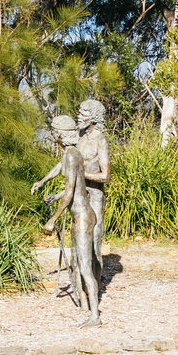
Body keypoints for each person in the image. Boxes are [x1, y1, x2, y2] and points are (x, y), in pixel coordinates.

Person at [41, 115, 101, 326]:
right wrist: (44, 182)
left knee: (85, 266)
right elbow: (74, 185)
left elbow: (69, 193)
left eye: (54, 130)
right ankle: (86, 306)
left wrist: (53, 219)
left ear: (60, 134)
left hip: (83, 217)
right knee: (80, 263)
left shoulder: (72, 155)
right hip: (84, 213)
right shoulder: (71, 153)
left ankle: (95, 316)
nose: (52, 134)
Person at [76, 99, 111, 261]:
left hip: (95, 196)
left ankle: (96, 280)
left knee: (95, 240)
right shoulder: (79, 137)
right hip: (79, 195)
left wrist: (81, 174)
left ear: (94, 117)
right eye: (79, 112)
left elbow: (105, 176)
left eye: (84, 113)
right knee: (79, 240)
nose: (79, 116)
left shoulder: (100, 139)